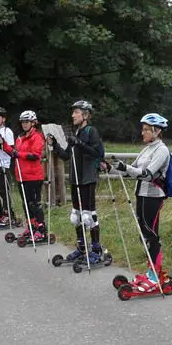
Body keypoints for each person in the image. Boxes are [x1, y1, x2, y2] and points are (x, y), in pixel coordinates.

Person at [103, 113, 171, 291]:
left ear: (156, 131)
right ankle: (151, 271)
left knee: (151, 234)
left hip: (153, 196)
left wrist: (127, 168)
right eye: (143, 129)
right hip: (141, 194)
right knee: (144, 235)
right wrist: (112, 168)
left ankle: (156, 275)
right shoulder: (147, 149)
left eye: (146, 130)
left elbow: (147, 174)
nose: (143, 133)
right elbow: (130, 172)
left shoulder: (161, 150)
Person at [47, 100, 106, 263]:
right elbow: (66, 156)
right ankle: (81, 248)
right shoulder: (76, 133)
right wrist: (56, 145)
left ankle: (96, 250)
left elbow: (96, 152)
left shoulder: (90, 131)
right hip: (75, 179)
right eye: (73, 112)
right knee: (77, 216)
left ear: (85, 115)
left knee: (89, 216)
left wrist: (78, 143)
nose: (73, 115)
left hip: (87, 178)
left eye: (76, 112)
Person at [3, 110, 48, 241]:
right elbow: (14, 153)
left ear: (34, 123)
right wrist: (4, 146)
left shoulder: (37, 137)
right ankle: (31, 227)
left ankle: (41, 229)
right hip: (21, 176)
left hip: (34, 176)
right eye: (22, 122)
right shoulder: (20, 138)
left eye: (27, 122)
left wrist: (19, 154)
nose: (24, 124)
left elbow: (35, 155)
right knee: (26, 204)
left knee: (34, 204)